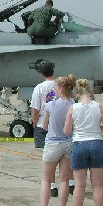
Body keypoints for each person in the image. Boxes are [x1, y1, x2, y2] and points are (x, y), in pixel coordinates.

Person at [63, 79, 103, 206]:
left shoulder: (73, 108)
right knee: (98, 185)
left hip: (79, 144)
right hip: (96, 143)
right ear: (90, 93)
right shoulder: (99, 107)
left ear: (77, 95)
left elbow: (67, 131)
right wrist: (98, 125)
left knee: (79, 185)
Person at [30, 74, 76, 206]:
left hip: (53, 143)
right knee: (64, 180)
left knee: (46, 179)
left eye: (56, 88)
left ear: (61, 88)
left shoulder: (51, 105)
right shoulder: (72, 104)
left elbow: (44, 125)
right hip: (68, 143)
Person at [31, 60, 71, 196]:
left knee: (49, 159)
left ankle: (52, 186)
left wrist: (34, 123)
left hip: (45, 125)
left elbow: (35, 109)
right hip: (64, 124)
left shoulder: (39, 88)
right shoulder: (61, 85)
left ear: (41, 73)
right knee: (66, 157)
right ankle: (70, 183)